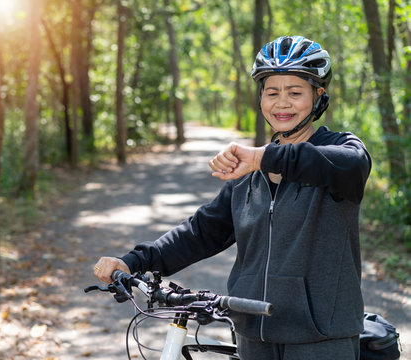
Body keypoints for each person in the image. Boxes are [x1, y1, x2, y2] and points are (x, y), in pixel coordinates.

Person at [93, 35, 371, 359]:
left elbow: (350, 165)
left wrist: (263, 158)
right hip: (253, 335)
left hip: (322, 340)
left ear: (318, 97)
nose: (282, 103)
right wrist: (133, 261)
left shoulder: (339, 153)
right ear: (261, 99)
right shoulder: (249, 174)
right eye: (272, 92)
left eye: (295, 93)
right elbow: (202, 231)